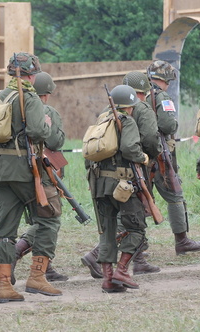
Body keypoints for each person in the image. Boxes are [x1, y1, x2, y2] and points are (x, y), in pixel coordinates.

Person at [0, 52, 56, 303]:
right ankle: (37, 277)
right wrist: (46, 123)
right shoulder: (31, 98)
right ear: (32, 74)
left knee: (4, 231)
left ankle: (4, 285)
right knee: (49, 217)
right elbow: (37, 131)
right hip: (25, 169)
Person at [81, 71, 162, 278]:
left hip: (100, 182)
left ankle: (108, 278)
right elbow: (131, 148)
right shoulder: (129, 119)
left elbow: (89, 151)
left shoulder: (102, 118)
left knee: (107, 231)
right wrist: (145, 158)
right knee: (136, 228)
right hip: (124, 181)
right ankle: (122, 271)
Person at [12, 71, 68, 283]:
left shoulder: (17, 106)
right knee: (48, 218)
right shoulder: (47, 111)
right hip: (43, 172)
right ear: (47, 92)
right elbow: (55, 142)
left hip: (18, 169)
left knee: (40, 218)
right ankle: (21, 254)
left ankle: (46, 267)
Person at [146, 60, 200, 255]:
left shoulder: (140, 95)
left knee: (138, 200)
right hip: (160, 157)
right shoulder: (161, 96)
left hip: (141, 157)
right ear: (166, 79)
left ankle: (136, 248)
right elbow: (169, 126)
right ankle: (182, 241)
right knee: (175, 196)